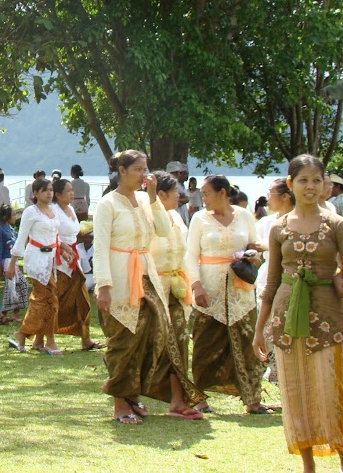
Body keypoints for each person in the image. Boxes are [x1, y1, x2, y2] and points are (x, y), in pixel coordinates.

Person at [254, 154, 343, 473]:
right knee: (295, 392)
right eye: (303, 180)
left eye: (316, 180)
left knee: (332, 390)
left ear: (325, 186)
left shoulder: (337, 225)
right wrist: (259, 330)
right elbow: (272, 282)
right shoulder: (278, 228)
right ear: (290, 185)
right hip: (286, 318)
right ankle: (308, 465)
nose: (310, 186)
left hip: (329, 318)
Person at [93, 150, 202, 424]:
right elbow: (100, 247)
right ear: (122, 171)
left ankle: (133, 393)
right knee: (123, 340)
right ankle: (120, 403)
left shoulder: (144, 200)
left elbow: (163, 230)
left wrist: (153, 197)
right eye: (139, 169)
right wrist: (103, 285)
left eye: (145, 169)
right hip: (120, 276)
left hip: (146, 274)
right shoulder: (108, 204)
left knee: (153, 335)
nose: (144, 174)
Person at [187, 174, 268, 414]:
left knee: (247, 344)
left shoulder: (244, 216)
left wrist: (254, 256)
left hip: (240, 290)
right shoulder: (199, 219)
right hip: (209, 289)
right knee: (204, 344)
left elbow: (255, 245)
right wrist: (196, 285)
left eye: (207, 193)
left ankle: (252, 399)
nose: (203, 199)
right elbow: (190, 255)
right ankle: (199, 397)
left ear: (222, 193)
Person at [148, 170, 206, 420]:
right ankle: (128, 396)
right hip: (151, 288)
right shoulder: (145, 217)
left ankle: (177, 399)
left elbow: (184, 255)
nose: (180, 196)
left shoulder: (177, 217)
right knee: (150, 345)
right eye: (175, 192)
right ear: (160, 194)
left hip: (176, 288)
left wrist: (191, 283)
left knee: (180, 340)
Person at [7, 178, 63, 355]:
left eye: (51, 190)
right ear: (36, 193)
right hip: (37, 258)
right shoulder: (31, 212)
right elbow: (21, 237)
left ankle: (34, 338)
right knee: (47, 299)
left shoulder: (53, 210)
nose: (49, 193)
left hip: (51, 258)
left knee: (44, 298)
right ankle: (47, 339)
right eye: (45, 190)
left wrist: (66, 250)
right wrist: (12, 264)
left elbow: (55, 236)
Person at [51, 178, 100, 351]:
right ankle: (40, 337)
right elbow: (51, 236)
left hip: (74, 257)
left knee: (82, 298)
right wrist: (63, 251)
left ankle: (85, 338)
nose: (72, 194)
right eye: (68, 191)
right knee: (54, 299)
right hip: (60, 261)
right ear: (57, 195)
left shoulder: (71, 209)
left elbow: (74, 233)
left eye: (73, 190)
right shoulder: (53, 211)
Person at [0, 205, 26, 323]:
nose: (15, 217)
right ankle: (6, 314)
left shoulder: (12, 230)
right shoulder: (0, 230)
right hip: (7, 261)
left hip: (14, 261)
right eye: (13, 215)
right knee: (11, 287)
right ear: (5, 216)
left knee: (20, 284)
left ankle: (10, 312)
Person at [77, 221, 94, 293]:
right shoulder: (78, 247)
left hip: (91, 275)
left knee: (83, 286)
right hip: (78, 274)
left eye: (89, 237)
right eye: (85, 237)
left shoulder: (96, 248)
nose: (87, 240)